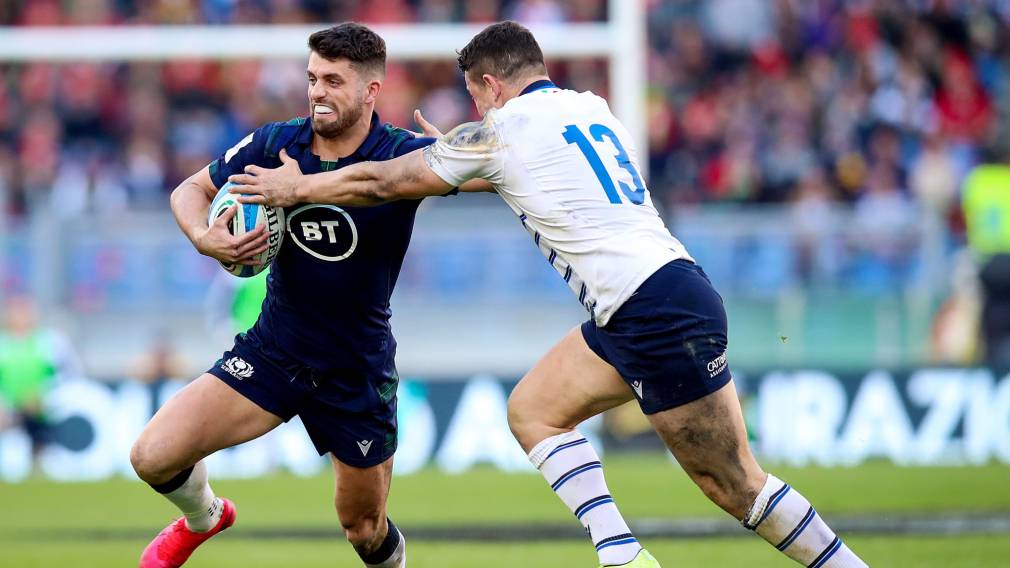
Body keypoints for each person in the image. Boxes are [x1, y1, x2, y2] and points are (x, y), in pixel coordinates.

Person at [230, 21, 870, 568]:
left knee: (735, 486)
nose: (478, 113)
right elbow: (523, 166)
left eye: (476, 99)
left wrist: (297, 189)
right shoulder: (591, 107)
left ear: (490, 85)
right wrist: (455, 148)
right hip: (665, 293)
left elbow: (379, 183)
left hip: (650, 310)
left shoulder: (499, 131)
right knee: (533, 410)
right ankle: (620, 552)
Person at [130, 23, 466, 568]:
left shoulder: (401, 153)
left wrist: (461, 149)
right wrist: (202, 235)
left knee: (364, 530)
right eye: (312, 78)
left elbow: (493, 174)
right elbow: (191, 189)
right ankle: (205, 516)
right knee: (152, 456)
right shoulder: (276, 144)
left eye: (333, 81)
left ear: (371, 90)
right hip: (275, 352)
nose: (317, 92)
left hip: (356, 369)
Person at [0, 295, 83, 465]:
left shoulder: (51, 341)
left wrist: (45, 393)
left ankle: (40, 458)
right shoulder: (3, 343)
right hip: (9, 407)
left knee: (38, 417)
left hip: (44, 404)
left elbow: (73, 374)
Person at [962, 148, 1010, 368]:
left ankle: (990, 364)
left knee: (990, 315)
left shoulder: (976, 180)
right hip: (1003, 255)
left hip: (986, 261)